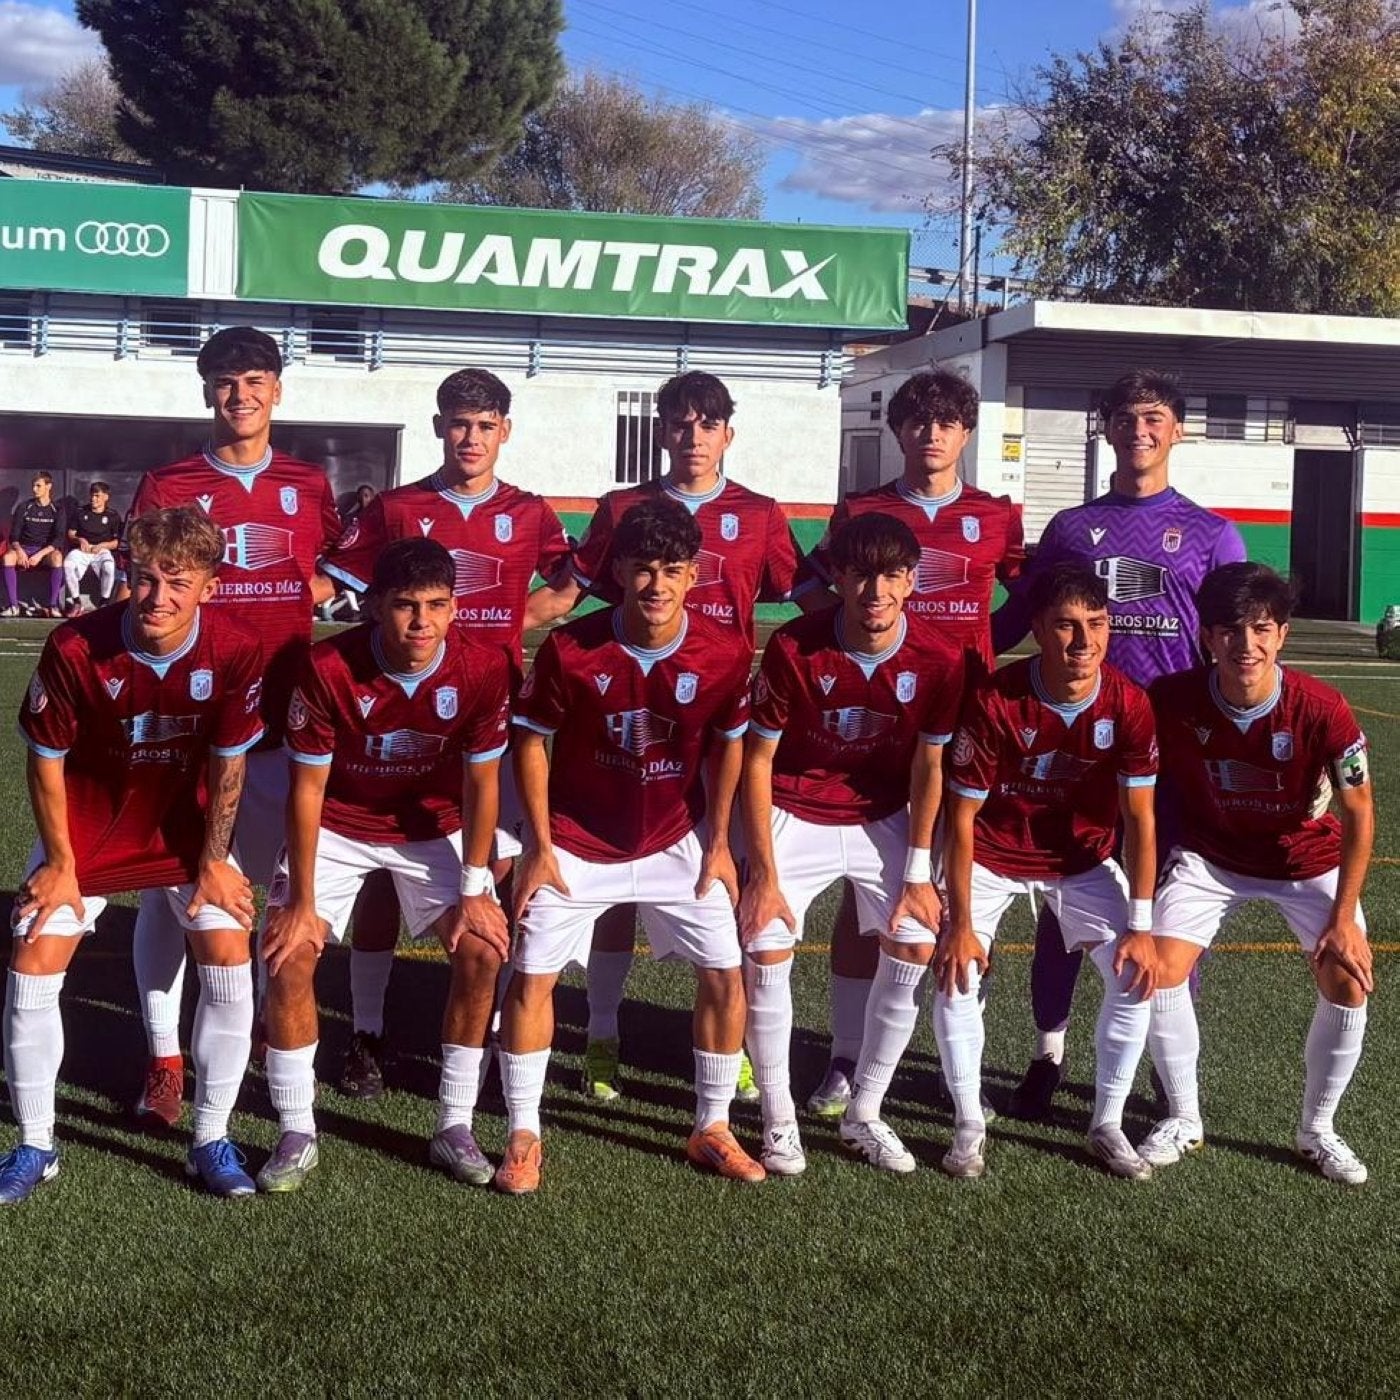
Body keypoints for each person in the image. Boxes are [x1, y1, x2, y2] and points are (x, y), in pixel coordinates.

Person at [525, 369, 804, 1104]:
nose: (693, 437)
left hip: (716, 732)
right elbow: (564, 597)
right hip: (626, 726)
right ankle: (606, 1036)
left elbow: (810, 598)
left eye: (706, 424)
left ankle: (732, 1047)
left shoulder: (762, 512)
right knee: (614, 900)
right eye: (679, 423)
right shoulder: (623, 508)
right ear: (663, 431)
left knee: (726, 885)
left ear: (727, 434)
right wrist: (481, 631)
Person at [993, 369, 1247, 1120]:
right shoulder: (1072, 528)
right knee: (1061, 914)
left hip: (1169, 756)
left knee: (1165, 915)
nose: (1140, 429)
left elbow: (1239, 644)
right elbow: (1016, 624)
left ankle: (1167, 1075)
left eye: (1155, 416)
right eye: (1126, 416)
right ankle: (1048, 1054)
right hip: (1078, 756)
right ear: (1105, 428)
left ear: (1177, 430)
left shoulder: (1211, 532)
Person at [316, 368, 572, 1098]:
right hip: (394, 718)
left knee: (492, 874)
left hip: (491, 718)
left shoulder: (529, 512)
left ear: (505, 432)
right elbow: (338, 579)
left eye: (486, 424)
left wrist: (522, 620)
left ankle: (487, 1035)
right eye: (459, 423)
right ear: (438, 427)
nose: (471, 437)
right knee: (377, 878)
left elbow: (568, 582)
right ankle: (368, 1030)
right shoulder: (400, 508)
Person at [0, 507, 264, 1204]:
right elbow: (46, 760)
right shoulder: (75, 646)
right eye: (145, 579)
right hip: (89, 832)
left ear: (209, 585)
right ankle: (35, 1145)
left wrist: (214, 860)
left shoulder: (235, 647)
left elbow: (229, 764)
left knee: (230, 955)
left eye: (178, 583)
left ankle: (209, 1139)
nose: (157, 598)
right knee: (32, 961)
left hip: (183, 835)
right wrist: (60, 863)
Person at [495, 499, 758, 1194]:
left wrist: (722, 844)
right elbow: (530, 740)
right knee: (532, 976)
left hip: (678, 839)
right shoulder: (572, 648)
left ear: (695, 575)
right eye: (642, 570)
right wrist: (540, 846)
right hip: (578, 840)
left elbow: (730, 748)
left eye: (672, 571)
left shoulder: (727, 651)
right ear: (617, 572)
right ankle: (524, 1132)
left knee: (726, 975)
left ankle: (712, 1125)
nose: (657, 586)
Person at [794, 369, 1025, 1117]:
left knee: (966, 898)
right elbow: (815, 588)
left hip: (972, 723)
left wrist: (984, 660)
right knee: (870, 897)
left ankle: (951, 1068)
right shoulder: (865, 509)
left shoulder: (995, 515)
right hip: (884, 723)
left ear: (966, 432)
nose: (932, 435)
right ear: (898, 432)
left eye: (948, 422)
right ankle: (844, 1058)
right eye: (918, 422)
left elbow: (1026, 601)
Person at [125, 326, 340, 1126]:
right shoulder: (169, 481)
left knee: (255, 899)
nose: (240, 395)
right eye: (225, 381)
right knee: (164, 900)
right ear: (205, 390)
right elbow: (139, 599)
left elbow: (336, 569)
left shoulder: (308, 484)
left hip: (281, 729)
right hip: (186, 728)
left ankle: (240, 1051)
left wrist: (283, 611)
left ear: (278, 390)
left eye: (254, 380)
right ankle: (165, 1059)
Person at [257, 538, 511, 1192]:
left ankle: (454, 1125)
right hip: (340, 821)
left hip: (431, 825)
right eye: (404, 606)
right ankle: (295, 1129)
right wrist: (301, 901)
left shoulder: (482, 669)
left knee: (483, 948)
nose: (421, 622)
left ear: (456, 608)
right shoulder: (326, 667)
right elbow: (307, 790)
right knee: (289, 952)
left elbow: (482, 785)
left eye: (436, 605)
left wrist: (476, 889)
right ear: (373, 607)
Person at [1131, 562, 1374, 1185]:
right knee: (1156, 970)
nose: (1247, 645)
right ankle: (1184, 1118)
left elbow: (1359, 810)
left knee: (1348, 978)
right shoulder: (1172, 701)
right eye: (1231, 631)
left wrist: (1344, 918)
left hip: (1305, 861)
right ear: (1207, 637)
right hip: (1214, 859)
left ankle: (1317, 1129)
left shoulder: (1322, 708)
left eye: (1261, 629)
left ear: (1282, 635)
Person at [740, 513, 964, 1176]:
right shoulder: (795, 645)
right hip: (796, 806)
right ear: (837, 577)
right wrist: (761, 874)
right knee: (764, 939)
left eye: (892, 575)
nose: (876, 590)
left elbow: (931, 769)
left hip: (881, 814)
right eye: (862, 574)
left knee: (916, 937)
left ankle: (865, 1112)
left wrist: (922, 874)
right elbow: (757, 762)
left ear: (912, 581)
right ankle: (779, 1118)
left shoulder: (940, 658)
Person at [940, 563, 1160, 1180]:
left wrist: (1141, 924)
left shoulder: (1129, 704)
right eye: (1065, 626)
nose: (1083, 641)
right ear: (1037, 629)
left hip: (1080, 861)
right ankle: (967, 1124)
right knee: (957, 973)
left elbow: (1140, 820)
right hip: (991, 852)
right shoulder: (997, 699)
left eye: (1096, 624)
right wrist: (958, 922)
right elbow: (960, 818)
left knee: (1136, 972)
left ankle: (1107, 1122)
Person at [3, 471, 67, 618]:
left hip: (44, 553)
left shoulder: (58, 509)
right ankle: (13, 606)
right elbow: (14, 536)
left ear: (48, 487)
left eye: (38, 486)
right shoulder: (24, 507)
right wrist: (20, 552)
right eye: (33, 486)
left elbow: (58, 538)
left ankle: (53, 605)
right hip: (24, 550)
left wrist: (39, 555)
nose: (34, 489)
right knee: (7, 558)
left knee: (57, 557)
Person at [63, 479, 123, 616]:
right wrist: (80, 540)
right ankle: (77, 602)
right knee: (68, 564)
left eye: (97, 496)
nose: (93, 498)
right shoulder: (80, 512)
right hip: (82, 550)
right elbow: (71, 534)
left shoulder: (113, 516)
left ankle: (104, 602)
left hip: (102, 550)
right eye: (92, 495)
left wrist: (103, 545)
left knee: (109, 567)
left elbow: (117, 542)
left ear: (106, 497)